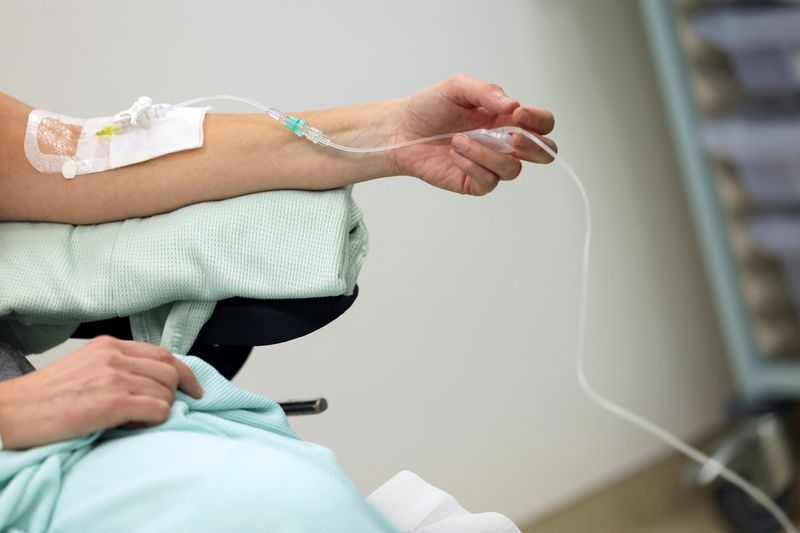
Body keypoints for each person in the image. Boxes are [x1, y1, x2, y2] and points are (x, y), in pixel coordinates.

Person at [0, 74, 555, 529]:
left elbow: (74, 160)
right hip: (26, 450)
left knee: (291, 497)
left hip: (62, 434)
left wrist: (394, 133)